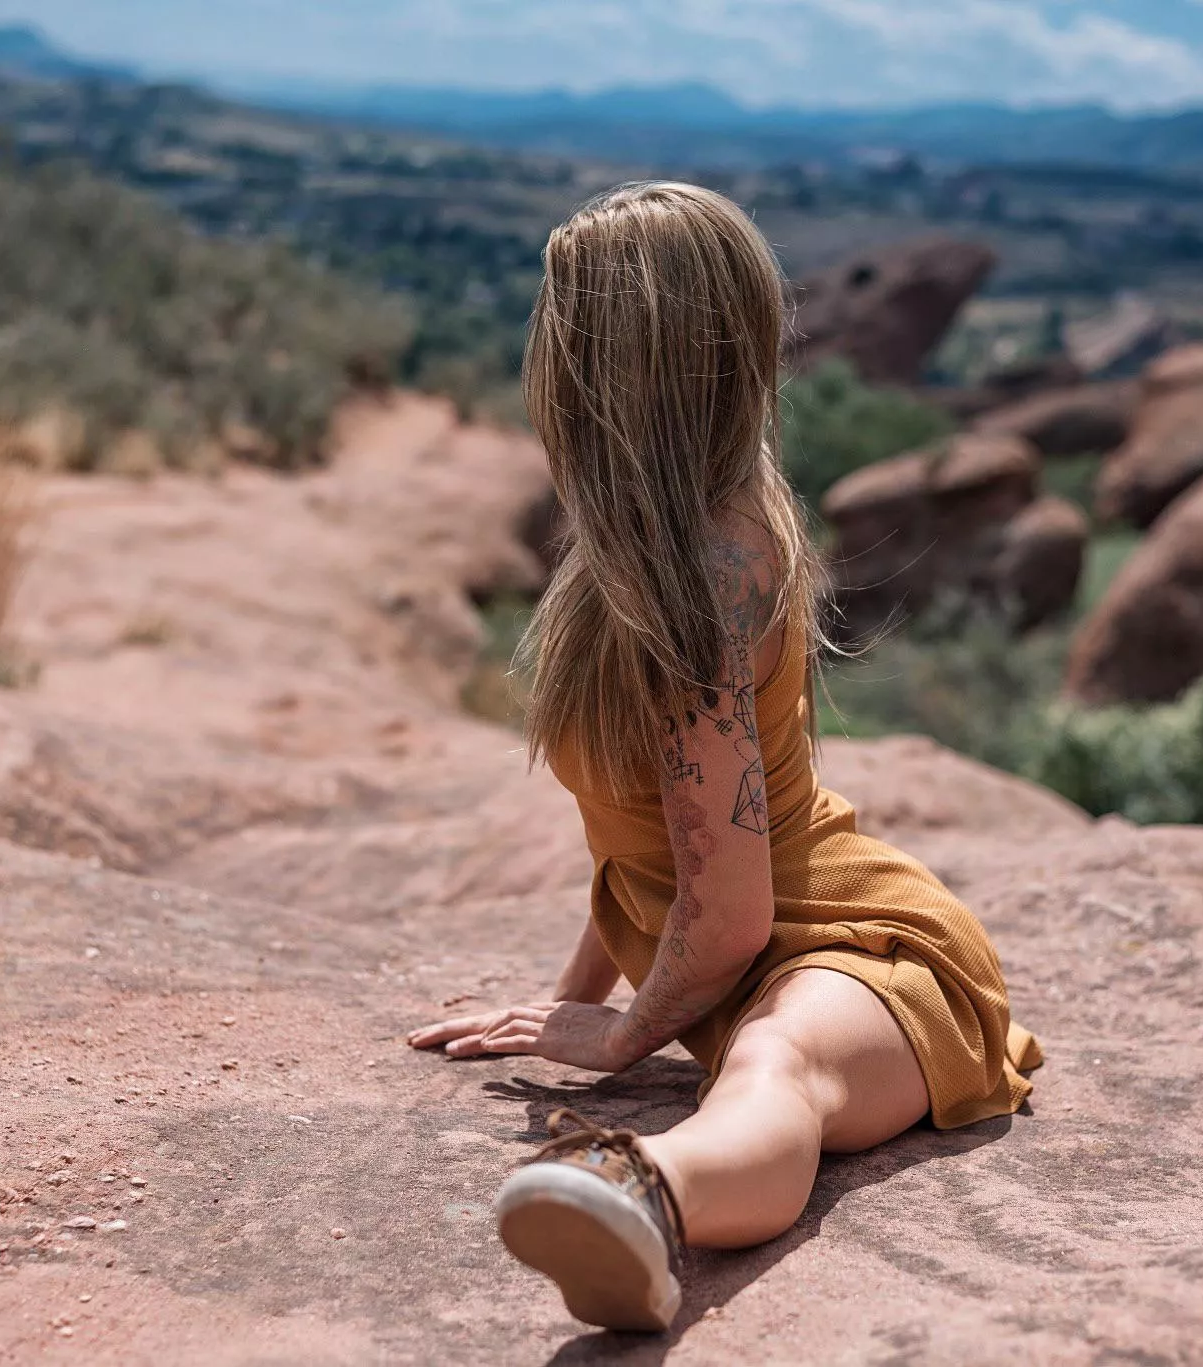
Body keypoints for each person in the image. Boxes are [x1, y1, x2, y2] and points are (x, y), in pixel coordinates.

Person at [408, 181, 1042, 1333]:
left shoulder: (708, 566)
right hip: (747, 946)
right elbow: (650, 845)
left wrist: (623, 1031)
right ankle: (634, 1204)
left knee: (775, 1066)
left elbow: (732, 910)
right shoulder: (639, 553)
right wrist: (570, 1008)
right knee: (758, 1051)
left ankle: (642, 1197)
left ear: (597, 364)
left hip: (863, 956)